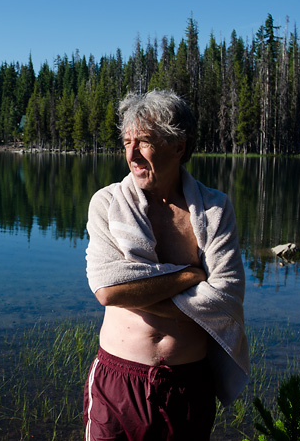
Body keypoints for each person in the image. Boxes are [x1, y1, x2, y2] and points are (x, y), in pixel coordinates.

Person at [83, 90, 249, 440]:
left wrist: (138, 292)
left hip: (188, 384)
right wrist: (190, 276)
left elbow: (225, 299)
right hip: (118, 380)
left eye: (144, 142)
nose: (131, 154)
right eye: (127, 142)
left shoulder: (214, 210)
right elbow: (108, 289)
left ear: (178, 146)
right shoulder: (107, 204)